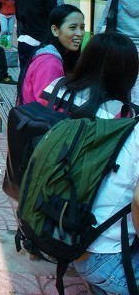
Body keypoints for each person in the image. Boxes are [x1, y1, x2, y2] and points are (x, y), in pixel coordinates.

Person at [43, 33, 139, 294]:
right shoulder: (121, 115)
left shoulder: (55, 88)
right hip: (90, 240)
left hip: (45, 211)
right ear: (128, 73)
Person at [17, 4, 84, 105]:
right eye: (72, 27)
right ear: (55, 30)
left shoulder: (64, 56)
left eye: (82, 27)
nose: (79, 33)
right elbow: (48, 106)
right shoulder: (49, 63)